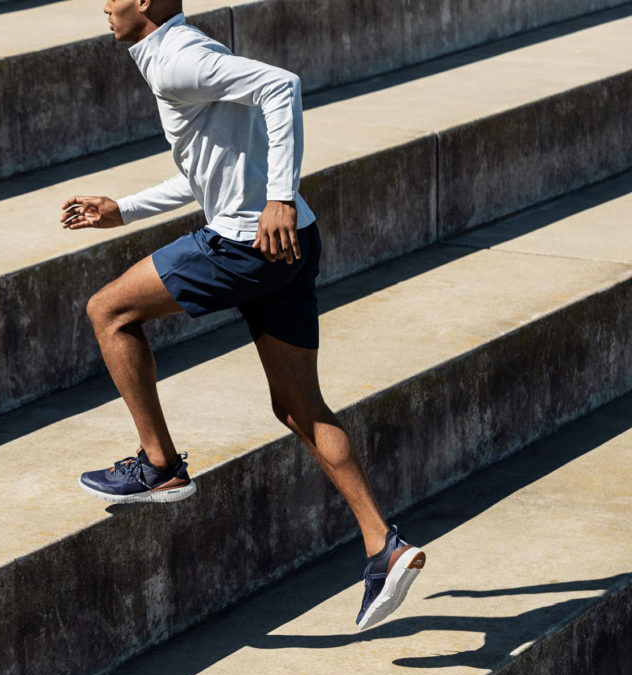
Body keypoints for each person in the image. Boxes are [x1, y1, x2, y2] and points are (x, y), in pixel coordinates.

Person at [58, 0, 425, 629]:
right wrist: (125, 208)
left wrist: (279, 195)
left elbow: (283, 86)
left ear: (143, 2)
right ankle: (383, 545)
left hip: (245, 243)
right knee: (298, 405)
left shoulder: (176, 59)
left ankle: (160, 466)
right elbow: (218, 172)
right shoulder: (184, 52)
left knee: (108, 310)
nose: (103, 6)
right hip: (290, 242)